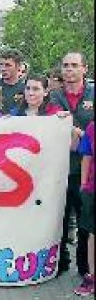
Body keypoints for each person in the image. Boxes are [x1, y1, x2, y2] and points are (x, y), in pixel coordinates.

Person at [50, 51, 94, 277]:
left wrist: (78, 133)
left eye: (74, 65)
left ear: (84, 68)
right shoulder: (53, 96)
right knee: (60, 217)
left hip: (87, 169)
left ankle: (85, 268)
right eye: (65, 65)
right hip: (59, 167)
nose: (69, 69)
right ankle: (59, 263)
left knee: (85, 219)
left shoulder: (93, 93)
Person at [74, 121, 94, 296]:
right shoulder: (92, 127)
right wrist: (83, 184)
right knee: (93, 234)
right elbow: (86, 156)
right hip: (93, 189)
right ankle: (91, 276)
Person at [0, 49, 26, 115]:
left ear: (18, 66)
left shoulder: (26, 88)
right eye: (1, 64)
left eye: (8, 65)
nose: (3, 69)